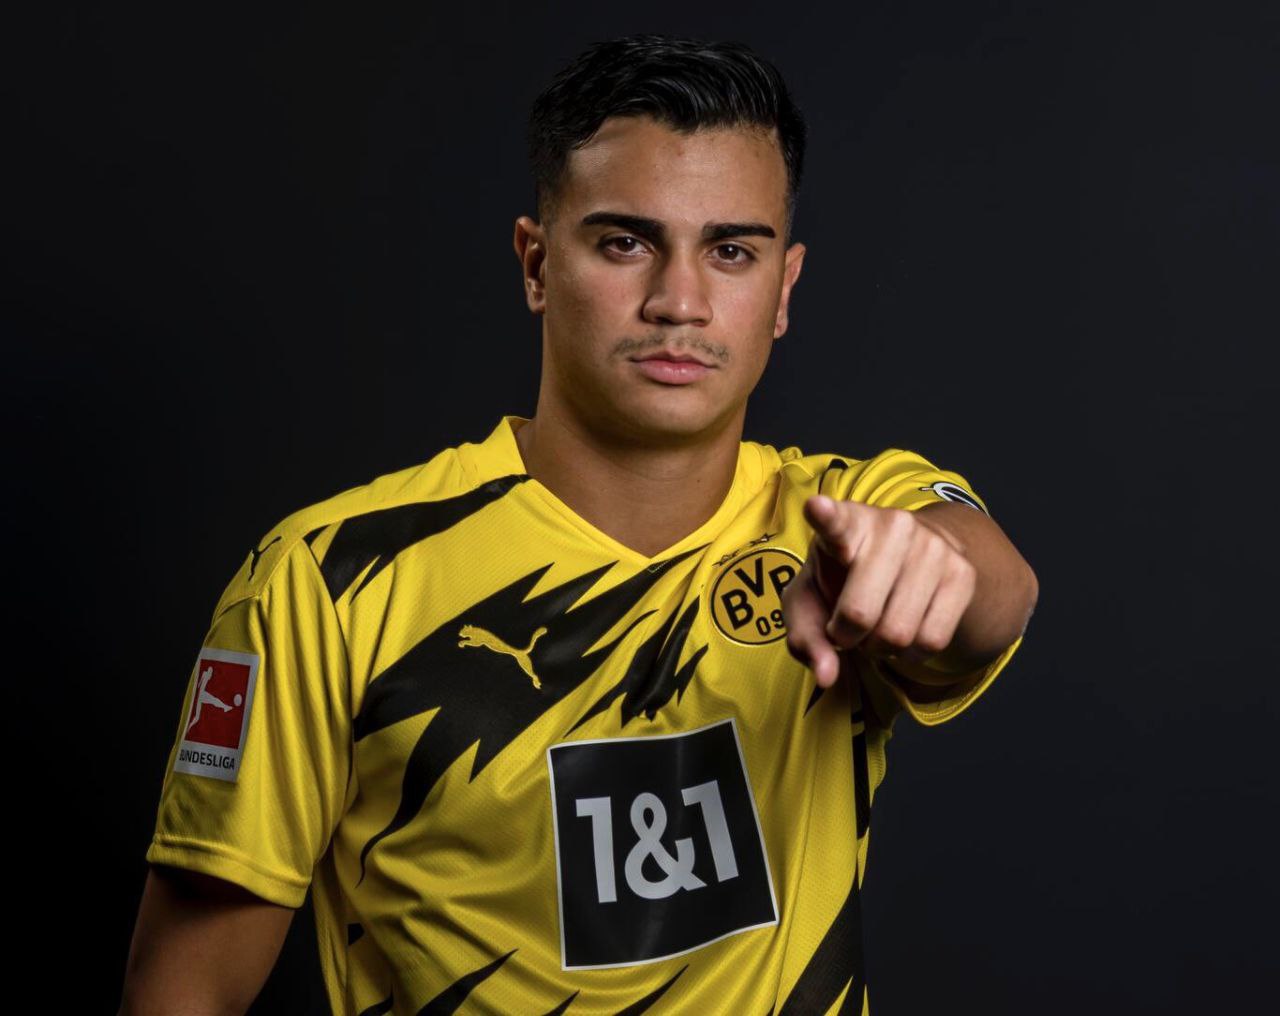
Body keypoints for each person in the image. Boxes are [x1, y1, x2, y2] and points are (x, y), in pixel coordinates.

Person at [119, 33, 1038, 1016]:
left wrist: (925, 565)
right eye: (625, 242)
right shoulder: (329, 578)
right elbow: (184, 992)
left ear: (784, 290)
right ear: (535, 264)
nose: (678, 302)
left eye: (731, 251)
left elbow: (993, 586)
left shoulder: (843, 520)